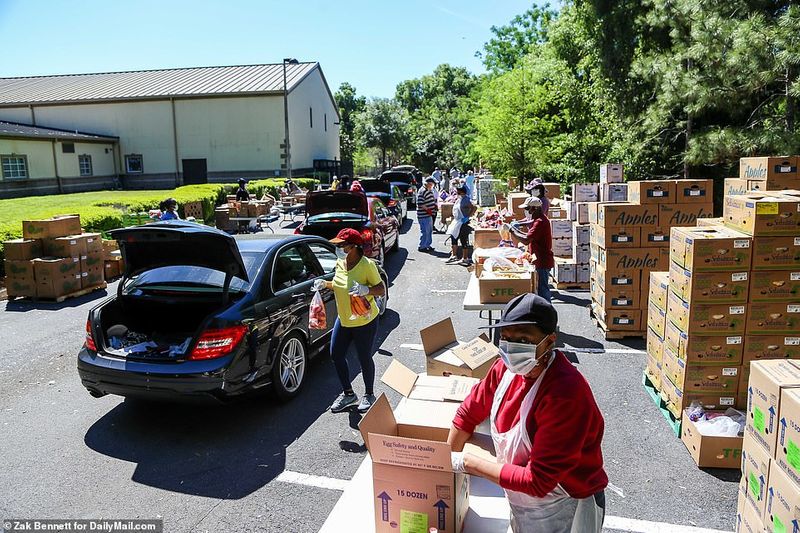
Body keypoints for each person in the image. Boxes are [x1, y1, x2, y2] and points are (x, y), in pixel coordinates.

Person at [448, 293, 607, 532]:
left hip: (565, 503)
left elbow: (538, 481)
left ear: (550, 341)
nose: (512, 348)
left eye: (523, 339)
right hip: (523, 500)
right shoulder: (504, 369)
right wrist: (443, 461)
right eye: (506, 338)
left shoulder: (564, 394)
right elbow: (469, 412)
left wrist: (466, 462)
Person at [313, 229, 386, 413]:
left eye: (341, 245)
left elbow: (381, 289)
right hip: (344, 319)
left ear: (353, 247)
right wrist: (325, 284)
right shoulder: (340, 262)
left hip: (364, 320)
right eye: (337, 244)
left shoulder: (366, 265)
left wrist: (365, 290)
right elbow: (339, 284)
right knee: (336, 354)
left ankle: (369, 394)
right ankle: (348, 394)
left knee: (363, 357)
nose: (337, 248)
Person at [509, 197, 554, 301]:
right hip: (538, 259)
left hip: (542, 261)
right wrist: (516, 229)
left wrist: (512, 230)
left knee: (543, 290)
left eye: (527, 208)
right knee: (539, 289)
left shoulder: (540, 222)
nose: (526, 211)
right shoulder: (538, 220)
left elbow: (526, 240)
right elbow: (529, 236)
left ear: (534, 208)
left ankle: (547, 314)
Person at [444, 184, 475, 266]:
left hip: (463, 222)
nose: (456, 192)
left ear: (461, 192)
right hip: (457, 221)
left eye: (458, 191)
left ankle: (465, 258)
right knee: (453, 237)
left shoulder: (466, 199)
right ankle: (454, 255)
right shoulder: (458, 199)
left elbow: (473, 208)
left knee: (463, 239)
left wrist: (468, 216)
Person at [417, 176, 437, 252]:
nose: (433, 186)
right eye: (432, 184)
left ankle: (427, 245)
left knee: (429, 231)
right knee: (425, 231)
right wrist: (428, 210)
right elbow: (420, 203)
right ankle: (422, 246)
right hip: (424, 215)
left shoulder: (428, 190)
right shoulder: (423, 191)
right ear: (428, 184)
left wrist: (434, 205)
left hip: (428, 215)